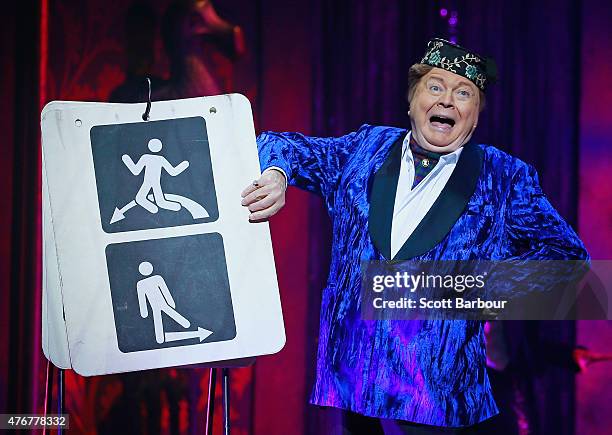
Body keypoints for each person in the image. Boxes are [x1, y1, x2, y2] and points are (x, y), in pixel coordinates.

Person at [240, 38, 589, 434]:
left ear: (474, 117)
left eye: (464, 93)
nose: (447, 101)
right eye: (435, 87)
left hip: (440, 399)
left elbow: (568, 263)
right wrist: (276, 175)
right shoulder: (365, 149)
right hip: (357, 388)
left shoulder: (504, 177)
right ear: (411, 102)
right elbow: (279, 144)